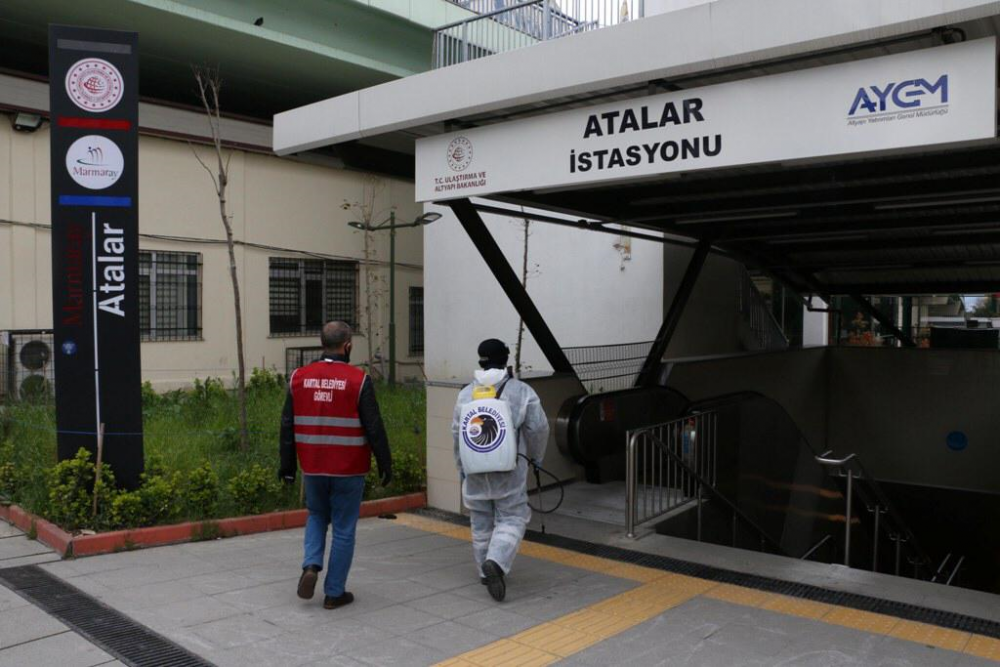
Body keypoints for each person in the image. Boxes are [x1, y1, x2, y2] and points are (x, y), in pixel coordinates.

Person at [279, 321, 392, 610]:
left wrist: (287, 465)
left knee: (316, 515)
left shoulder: (299, 378)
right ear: (348, 346)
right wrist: (385, 463)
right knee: (343, 528)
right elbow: (374, 426)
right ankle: (334, 593)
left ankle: (311, 565)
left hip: (313, 467)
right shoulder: (358, 380)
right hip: (349, 468)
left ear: (321, 344)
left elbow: (287, 424)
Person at [452, 339, 549, 602]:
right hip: (509, 471)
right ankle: (496, 561)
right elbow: (538, 428)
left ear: (481, 360)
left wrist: (462, 468)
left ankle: (484, 572)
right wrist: (537, 458)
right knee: (513, 518)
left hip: (474, 472)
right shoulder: (521, 391)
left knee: (481, 520)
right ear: (505, 359)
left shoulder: (465, 393)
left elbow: (457, 435)